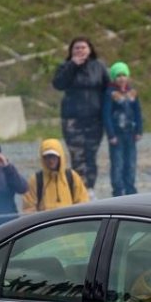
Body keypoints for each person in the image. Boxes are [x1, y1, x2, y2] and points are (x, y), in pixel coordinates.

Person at [52, 37, 110, 191]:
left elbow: (108, 88)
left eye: (83, 47)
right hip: (73, 119)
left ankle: (90, 188)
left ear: (90, 50)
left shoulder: (99, 66)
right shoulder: (65, 66)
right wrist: (72, 66)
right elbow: (58, 84)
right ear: (71, 51)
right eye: (76, 48)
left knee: (91, 156)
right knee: (77, 156)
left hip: (95, 119)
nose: (80, 50)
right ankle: (79, 190)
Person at [102, 61, 143, 197]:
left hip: (130, 133)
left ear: (128, 77)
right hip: (117, 134)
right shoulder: (110, 93)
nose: (121, 78)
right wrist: (110, 134)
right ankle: (118, 189)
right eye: (118, 76)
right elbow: (106, 114)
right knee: (117, 163)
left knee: (130, 162)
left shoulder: (133, 93)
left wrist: (139, 130)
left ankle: (130, 187)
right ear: (114, 78)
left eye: (123, 75)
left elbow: (138, 112)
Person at [22, 139, 89, 213]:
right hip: (47, 220)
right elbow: (28, 209)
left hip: (69, 219)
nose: (51, 160)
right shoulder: (35, 180)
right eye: (47, 157)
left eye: (53, 156)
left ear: (60, 157)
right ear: (42, 158)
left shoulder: (72, 177)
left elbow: (82, 202)